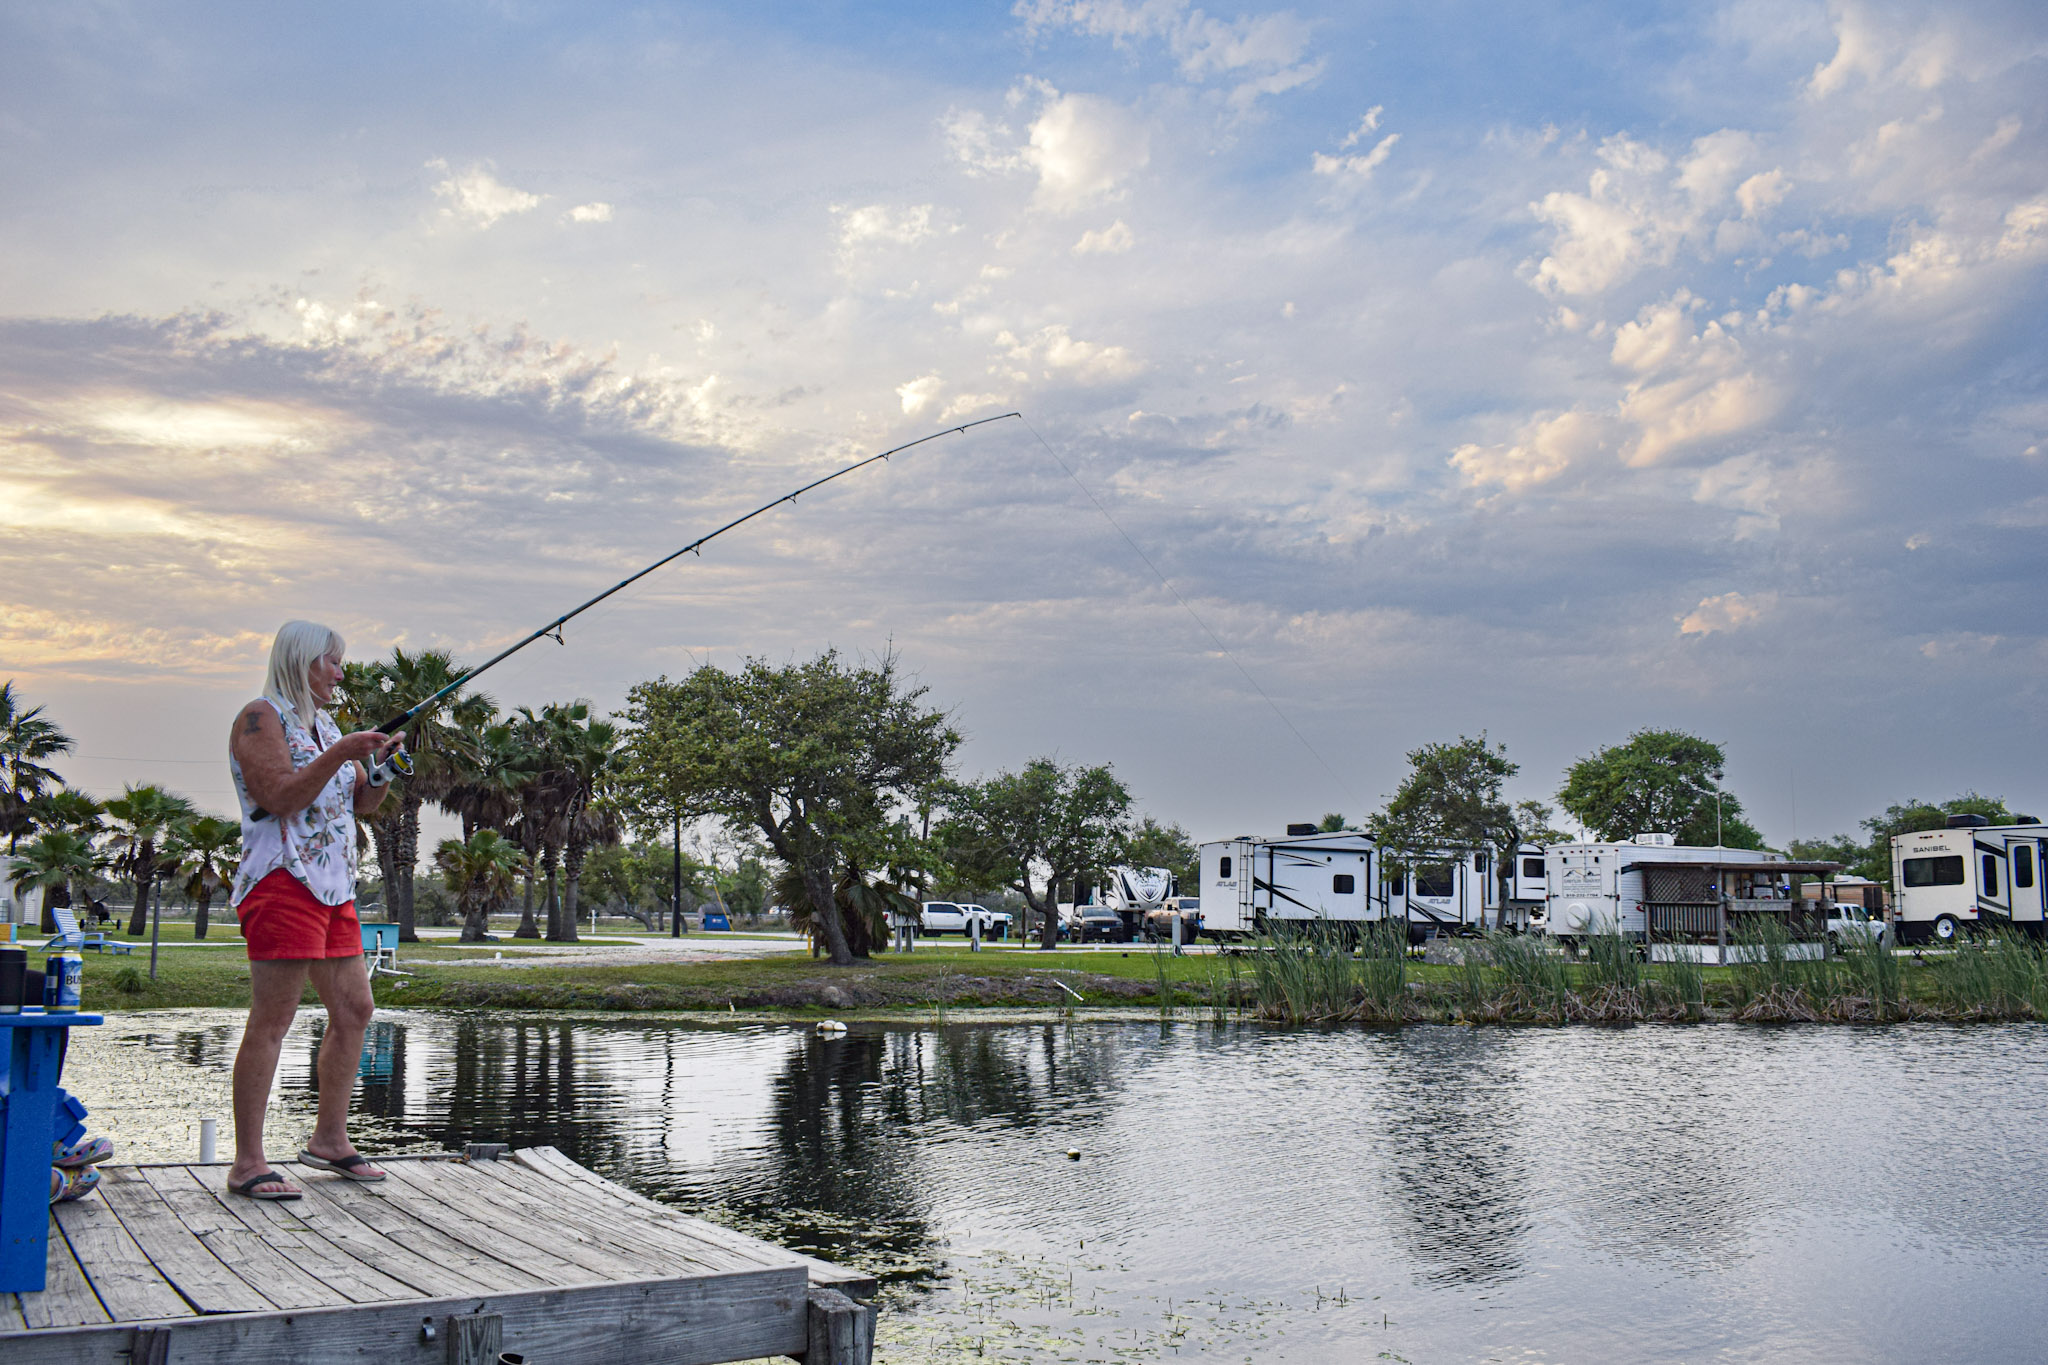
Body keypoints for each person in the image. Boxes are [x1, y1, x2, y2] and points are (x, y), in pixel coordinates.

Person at [223, 621, 398, 1200]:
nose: (340, 672)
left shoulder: (323, 726)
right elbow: (279, 796)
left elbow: (361, 805)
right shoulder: (259, 717)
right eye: (332, 661)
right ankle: (249, 1162)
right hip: (281, 882)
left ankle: (330, 1140)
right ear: (302, 661)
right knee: (274, 1019)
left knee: (355, 1008)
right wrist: (345, 752)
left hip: (333, 887)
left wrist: (379, 770)